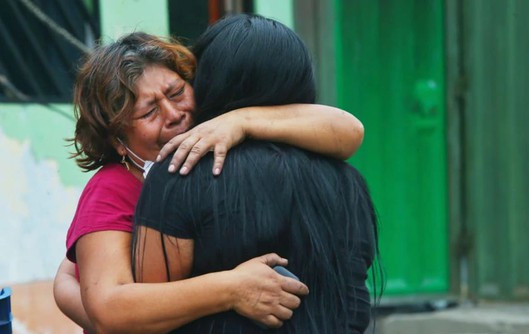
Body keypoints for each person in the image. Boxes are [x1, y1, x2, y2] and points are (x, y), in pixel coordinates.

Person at [53, 31, 366, 333]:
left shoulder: (219, 143)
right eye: (149, 112)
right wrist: (231, 287)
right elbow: (108, 307)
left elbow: (348, 130)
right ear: (119, 141)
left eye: (177, 93)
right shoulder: (112, 189)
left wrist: (240, 121)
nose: (174, 113)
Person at [133, 14, 380, 333]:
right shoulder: (349, 181)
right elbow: (354, 305)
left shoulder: (181, 170)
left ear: (211, 80)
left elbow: (148, 315)